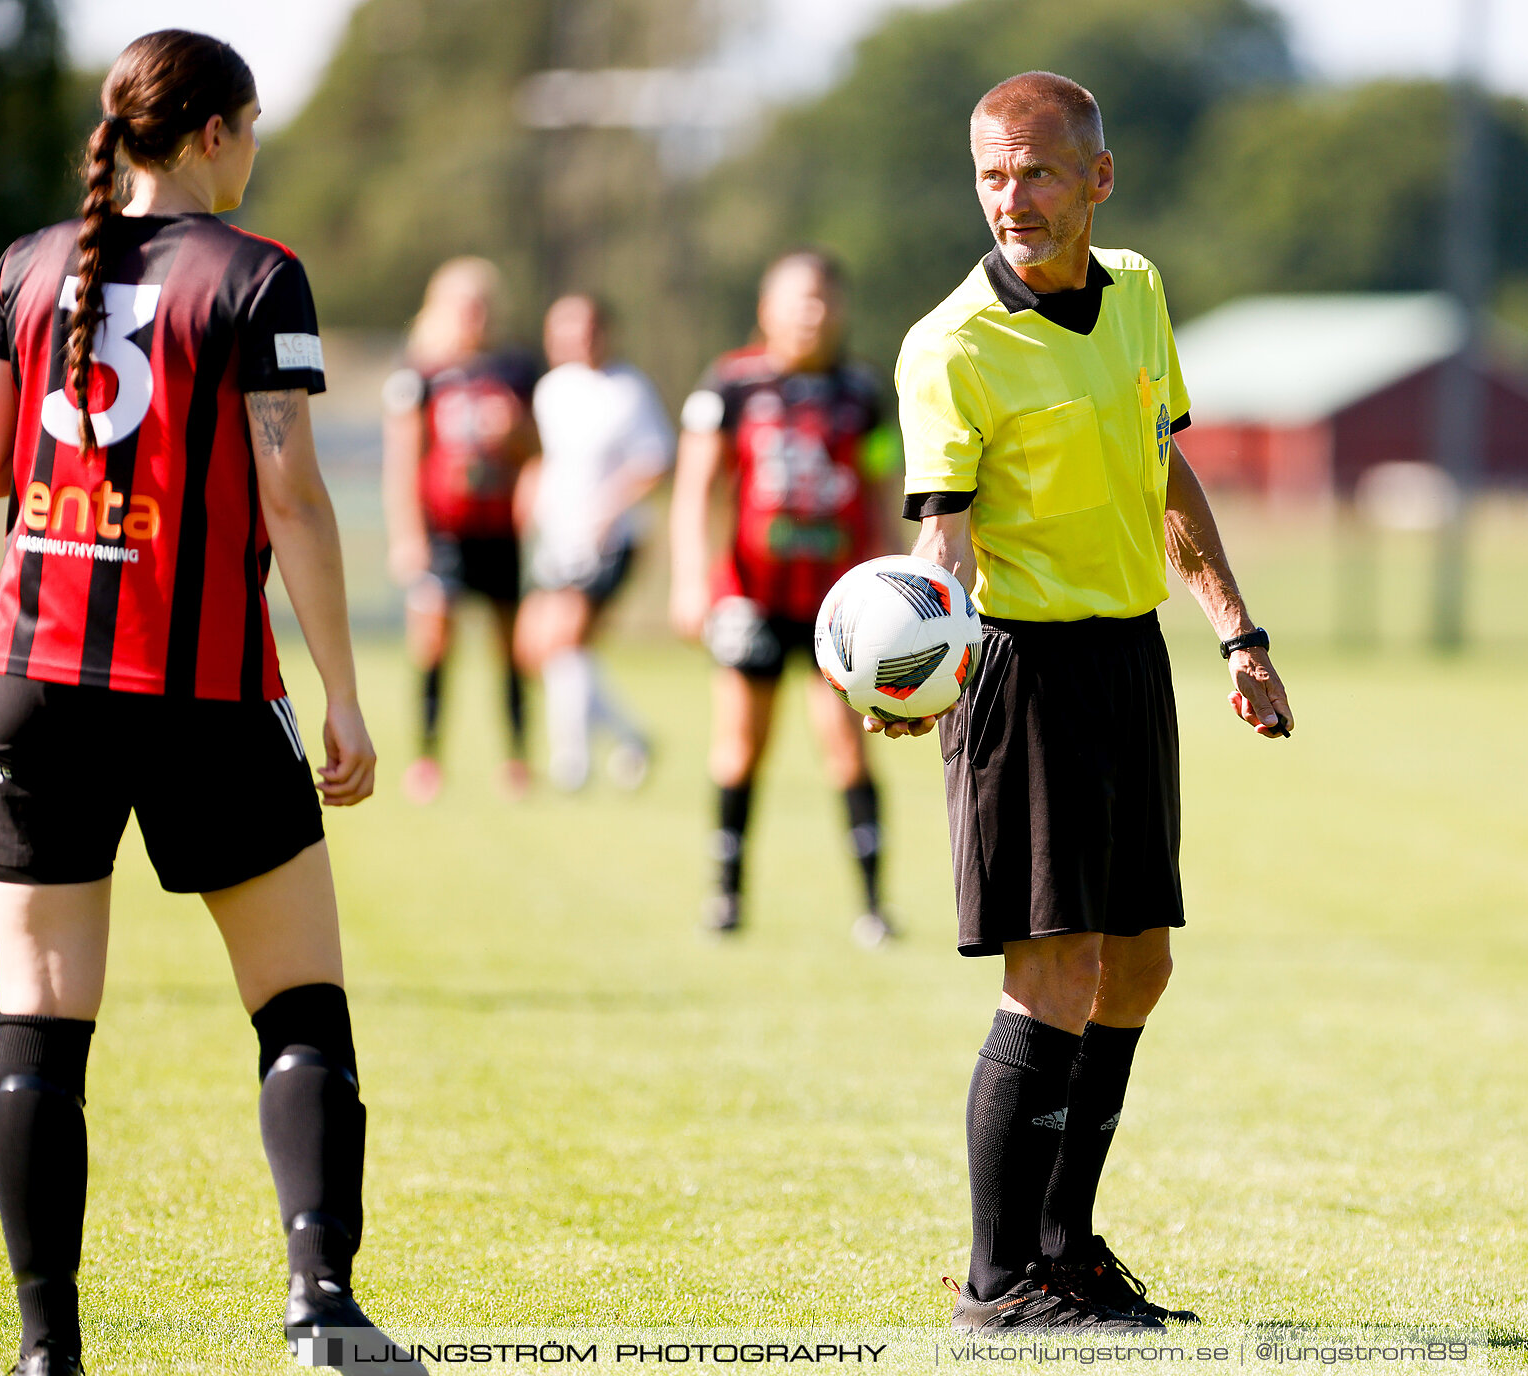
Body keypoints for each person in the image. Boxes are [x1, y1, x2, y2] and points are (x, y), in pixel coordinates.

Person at [0, 30, 423, 1375]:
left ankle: (48, 1350)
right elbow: (290, 492)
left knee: (41, 1022)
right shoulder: (255, 276)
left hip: (34, 686)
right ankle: (321, 1308)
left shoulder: (22, 266)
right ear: (221, 133)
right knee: (299, 1002)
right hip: (204, 696)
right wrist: (345, 694)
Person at [884, 72, 1295, 1330]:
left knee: (1137, 968)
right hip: (1020, 668)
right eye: (993, 177)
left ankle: (1066, 1247)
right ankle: (997, 1279)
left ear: (1097, 179)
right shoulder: (948, 345)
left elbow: (1166, 469)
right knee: (1052, 971)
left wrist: (1238, 633)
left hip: (1129, 660)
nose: (1013, 199)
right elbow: (944, 546)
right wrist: (920, 668)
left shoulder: (1142, 290)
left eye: (1039, 173)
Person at [669, 251, 902, 947]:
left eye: (828, 298)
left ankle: (872, 905)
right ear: (767, 308)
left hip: (842, 605)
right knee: (741, 747)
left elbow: (881, 489)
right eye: (800, 298)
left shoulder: (863, 394)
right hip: (754, 595)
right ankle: (727, 899)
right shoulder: (731, 385)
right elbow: (694, 491)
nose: (815, 311)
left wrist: (893, 583)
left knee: (849, 750)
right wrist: (690, 579)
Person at [381, 257, 539, 804]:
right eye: (462, 303)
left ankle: (518, 761)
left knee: (512, 647)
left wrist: (515, 432)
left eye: (482, 303)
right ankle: (427, 760)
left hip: (499, 533)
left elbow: (538, 452)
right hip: (442, 532)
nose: (474, 314)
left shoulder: (516, 370)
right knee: (434, 641)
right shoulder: (419, 373)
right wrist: (408, 536)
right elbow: (403, 459)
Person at [513, 295, 671, 791]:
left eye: (582, 328)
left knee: (567, 640)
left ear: (603, 332)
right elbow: (546, 456)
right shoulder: (551, 389)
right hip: (557, 538)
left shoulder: (628, 390)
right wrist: (529, 491)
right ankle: (631, 738)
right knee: (534, 649)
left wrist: (609, 508)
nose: (572, 338)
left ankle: (571, 764)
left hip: (609, 540)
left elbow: (654, 460)